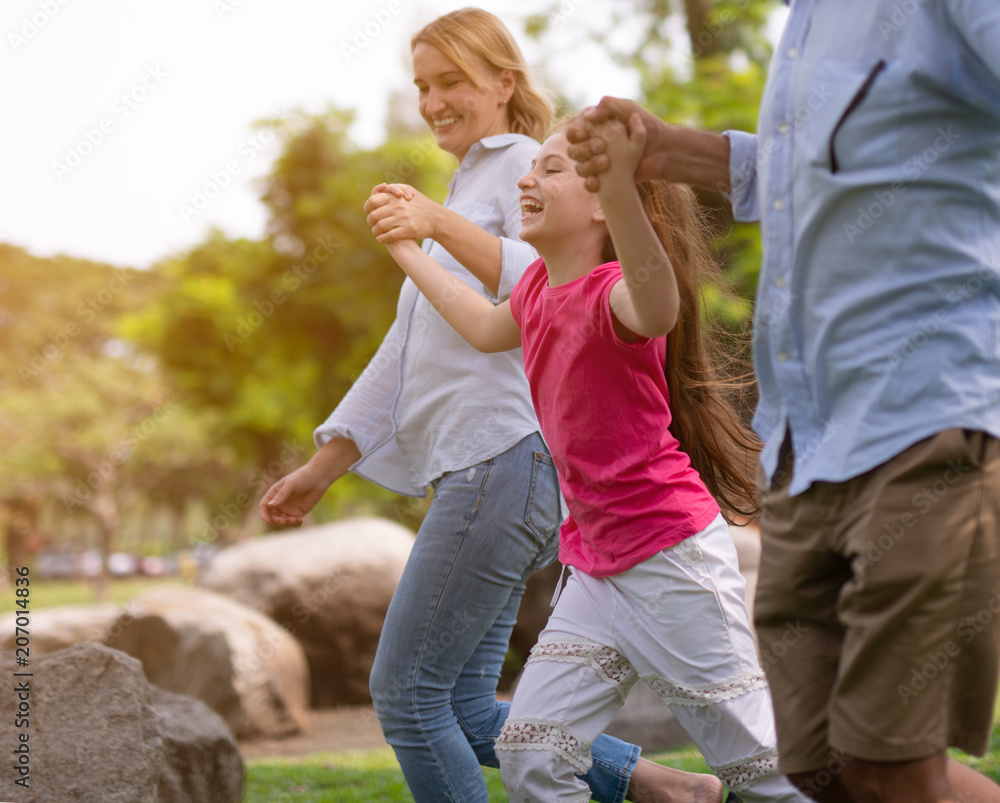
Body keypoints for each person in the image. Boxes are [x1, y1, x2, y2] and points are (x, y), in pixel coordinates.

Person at [260, 8, 722, 803]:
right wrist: (325, 463)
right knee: (467, 706)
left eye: (453, 82)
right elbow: (402, 353)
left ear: (504, 84)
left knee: (407, 693)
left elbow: (546, 275)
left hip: (503, 459)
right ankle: (665, 788)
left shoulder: (517, 162)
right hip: (487, 469)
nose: (433, 101)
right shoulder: (472, 177)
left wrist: (433, 223)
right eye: (422, 87)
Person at [565, 3, 1000, 801]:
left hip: (930, 415)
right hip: (807, 439)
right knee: (816, 761)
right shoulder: (810, 22)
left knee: (890, 759)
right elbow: (803, 172)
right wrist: (664, 150)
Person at [379, 109, 811, 803]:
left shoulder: (615, 294)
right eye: (531, 166)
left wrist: (618, 183)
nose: (528, 176)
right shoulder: (532, 293)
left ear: (604, 207)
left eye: (552, 168)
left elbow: (659, 300)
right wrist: (409, 247)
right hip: (596, 568)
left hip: (671, 558)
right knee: (532, 752)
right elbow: (485, 327)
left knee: (762, 768)